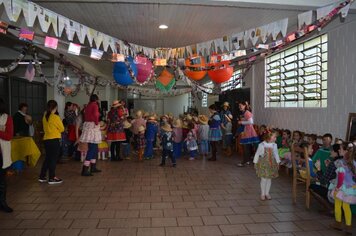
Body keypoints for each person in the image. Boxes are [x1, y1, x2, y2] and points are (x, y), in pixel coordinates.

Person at [328, 144, 356, 234]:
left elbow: (340, 178)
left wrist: (337, 188)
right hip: (350, 189)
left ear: (345, 151)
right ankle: (348, 227)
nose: (339, 151)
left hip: (341, 188)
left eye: (340, 149)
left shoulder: (340, 163)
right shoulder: (354, 163)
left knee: (337, 205)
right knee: (346, 207)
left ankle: (338, 223)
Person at [39, 100, 64, 184]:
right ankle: (52, 178)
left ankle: (42, 176)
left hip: (46, 140)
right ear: (55, 107)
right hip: (54, 140)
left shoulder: (45, 116)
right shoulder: (55, 117)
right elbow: (62, 129)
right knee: (53, 159)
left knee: (48, 158)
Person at [253, 131, 280, 201]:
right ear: (269, 137)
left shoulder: (274, 145)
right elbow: (257, 154)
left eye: (275, 137)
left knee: (269, 179)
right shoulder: (262, 145)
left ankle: (267, 193)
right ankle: (262, 193)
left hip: (271, 164)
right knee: (264, 179)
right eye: (274, 137)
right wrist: (255, 162)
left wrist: (278, 162)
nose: (275, 138)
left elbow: (276, 154)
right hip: (263, 164)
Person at [80, 94, 102, 176]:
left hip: (87, 125)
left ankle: (93, 167)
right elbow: (96, 115)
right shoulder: (94, 105)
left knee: (94, 147)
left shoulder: (88, 105)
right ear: (96, 99)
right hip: (93, 126)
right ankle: (85, 169)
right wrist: (96, 122)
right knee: (92, 148)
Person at [0, 98, 14, 212]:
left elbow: (9, 136)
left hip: (1, 153)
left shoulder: (7, 118)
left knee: (1, 181)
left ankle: (2, 203)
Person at [237, 101, 259, 167]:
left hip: (248, 131)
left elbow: (251, 122)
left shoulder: (247, 113)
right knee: (246, 147)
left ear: (244, 106)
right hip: (245, 131)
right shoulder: (243, 113)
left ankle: (244, 161)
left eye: (241, 105)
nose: (239, 107)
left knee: (246, 147)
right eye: (239, 106)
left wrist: (241, 122)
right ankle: (247, 160)